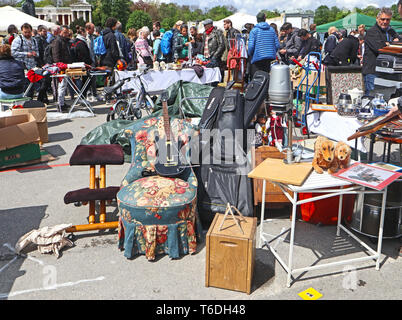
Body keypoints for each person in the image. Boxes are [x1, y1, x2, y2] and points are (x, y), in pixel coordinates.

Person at [362, 7, 400, 95]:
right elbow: (379, 48)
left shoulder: (391, 31)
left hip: (387, 72)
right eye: (383, 19)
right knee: (372, 99)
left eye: (388, 20)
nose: (385, 22)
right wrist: (391, 44)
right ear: (377, 18)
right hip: (373, 72)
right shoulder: (372, 32)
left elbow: (399, 41)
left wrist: (388, 43)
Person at [11, 23, 39, 99]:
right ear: (22, 31)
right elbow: (13, 53)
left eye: (29, 32)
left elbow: (37, 52)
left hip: (32, 67)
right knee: (25, 88)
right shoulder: (18, 40)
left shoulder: (34, 40)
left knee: (31, 88)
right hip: (22, 68)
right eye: (25, 32)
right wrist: (26, 54)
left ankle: (30, 102)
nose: (27, 34)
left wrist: (35, 54)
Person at [248, 11, 279, 78]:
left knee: (257, 78)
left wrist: (251, 55)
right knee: (266, 76)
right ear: (265, 19)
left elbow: (251, 47)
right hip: (269, 58)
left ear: (257, 20)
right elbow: (277, 45)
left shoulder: (254, 31)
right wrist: (272, 52)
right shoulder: (271, 30)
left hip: (257, 58)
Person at [52, 25, 73, 112]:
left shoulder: (66, 41)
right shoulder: (57, 41)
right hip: (60, 67)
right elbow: (56, 55)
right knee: (60, 86)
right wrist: (59, 65)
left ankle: (62, 102)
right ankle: (60, 104)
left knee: (64, 86)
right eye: (65, 32)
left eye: (67, 32)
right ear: (60, 32)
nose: (66, 34)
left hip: (66, 66)